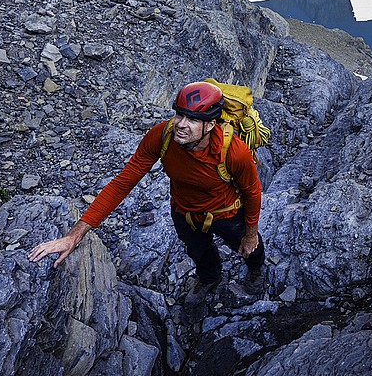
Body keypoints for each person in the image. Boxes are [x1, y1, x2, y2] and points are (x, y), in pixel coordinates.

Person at [30, 81, 265, 289]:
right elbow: (123, 183)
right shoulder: (162, 136)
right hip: (185, 213)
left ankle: (256, 270)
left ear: (211, 124)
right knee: (198, 252)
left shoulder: (234, 152)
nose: (181, 125)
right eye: (179, 115)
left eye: (193, 119)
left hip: (227, 214)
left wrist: (251, 234)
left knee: (249, 247)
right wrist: (74, 235)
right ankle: (210, 280)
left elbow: (252, 192)